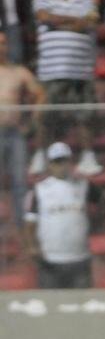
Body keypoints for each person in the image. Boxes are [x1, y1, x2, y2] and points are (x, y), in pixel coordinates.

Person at [33, 0, 100, 177]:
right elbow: (44, 17)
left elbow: (89, 23)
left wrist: (58, 21)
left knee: (85, 117)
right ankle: (41, 155)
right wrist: (76, 21)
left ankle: (88, 156)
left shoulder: (86, 1)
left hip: (80, 71)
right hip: (51, 71)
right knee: (45, 117)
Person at [24, 141, 99, 288]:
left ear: (70, 162)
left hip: (80, 258)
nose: (61, 165)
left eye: (64, 160)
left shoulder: (84, 185)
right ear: (50, 164)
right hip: (50, 260)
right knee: (51, 306)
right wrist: (32, 246)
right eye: (57, 162)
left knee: (83, 305)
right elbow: (30, 223)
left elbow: (103, 203)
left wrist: (94, 224)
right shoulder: (39, 190)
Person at [0, 31, 43, 223]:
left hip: (14, 132)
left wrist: (31, 121)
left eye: (3, 43)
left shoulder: (18, 72)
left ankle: (21, 225)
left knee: (19, 182)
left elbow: (40, 94)